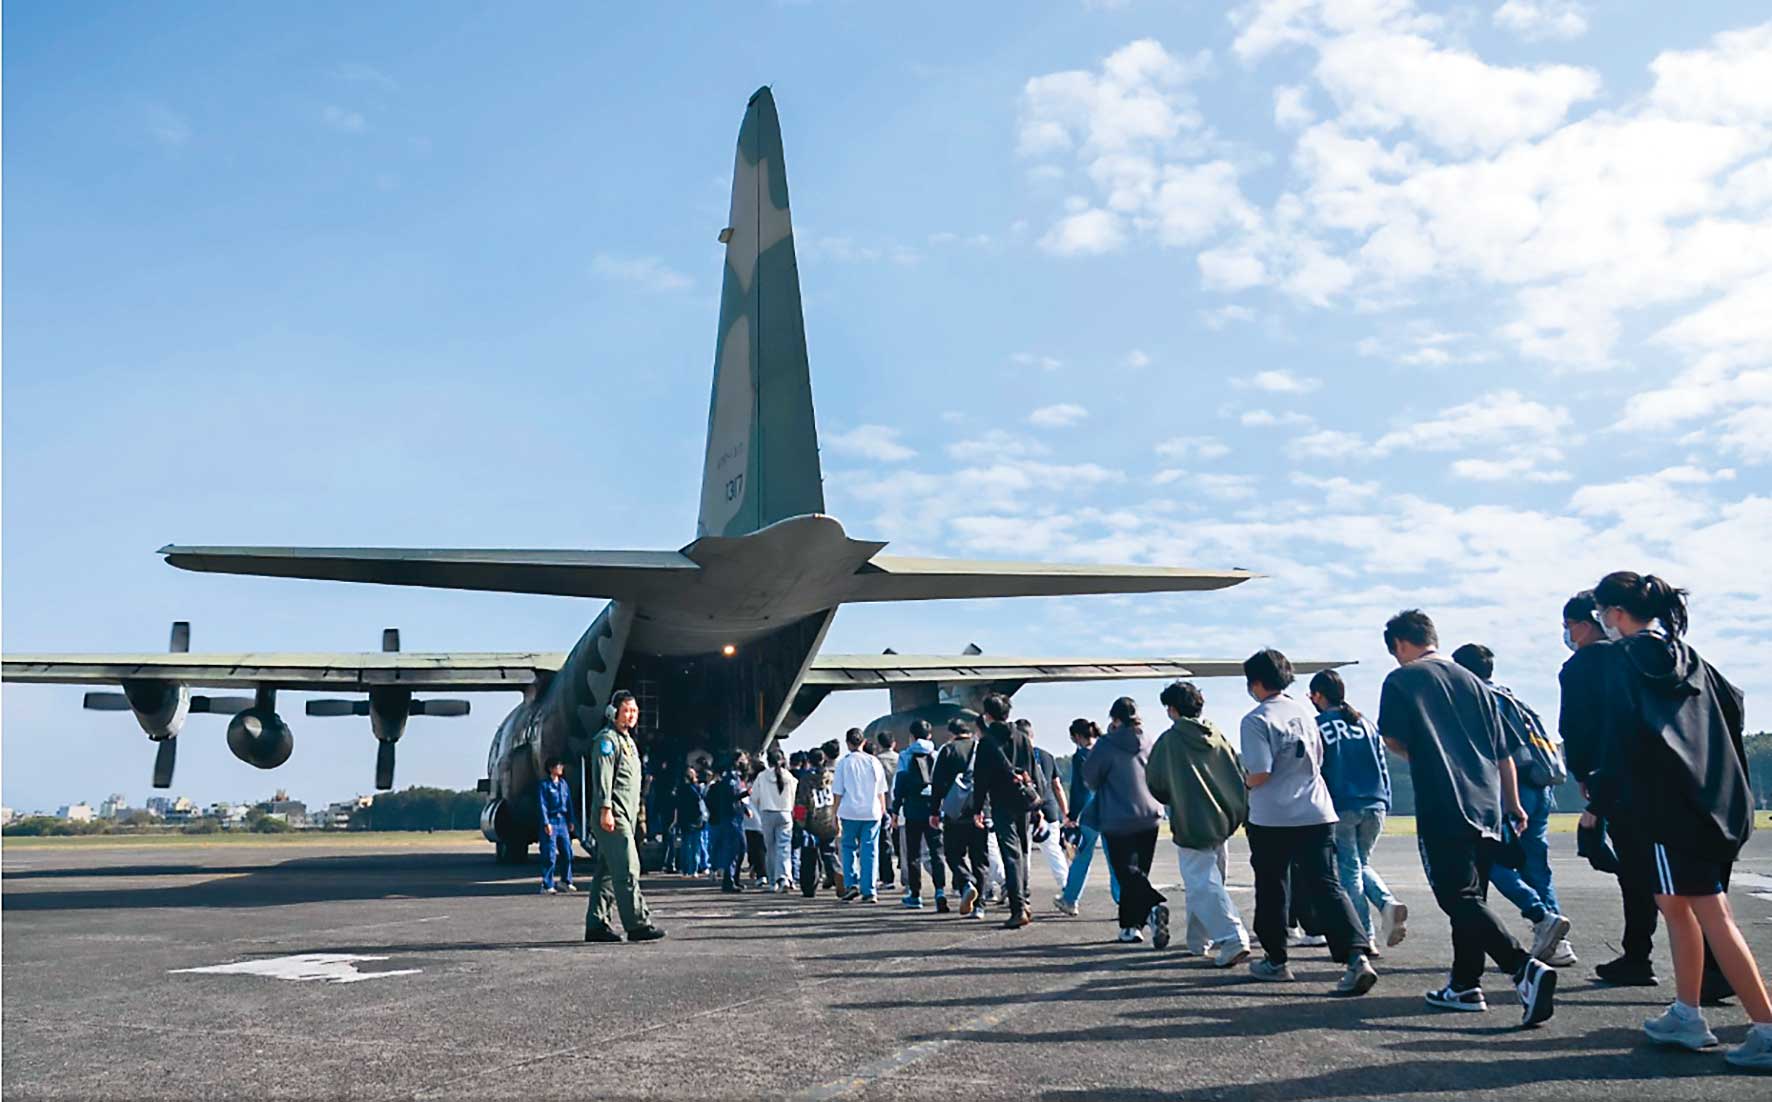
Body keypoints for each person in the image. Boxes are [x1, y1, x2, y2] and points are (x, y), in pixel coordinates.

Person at [1589, 572, 1771, 1069]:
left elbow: (1620, 738)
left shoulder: (1625, 660)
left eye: (1602, 613)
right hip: (1708, 799)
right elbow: (1732, 704)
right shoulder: (1687, 657)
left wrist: (1598, 804)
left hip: (1667, 806)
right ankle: (1686, 1014)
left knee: (1710, 911)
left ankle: (1766, 1026)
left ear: (1616, 613)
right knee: (1675, 904)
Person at [1377, 611, 1552, 1025]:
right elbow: (1503, 751)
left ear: (1401, 645)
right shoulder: (1474, 682)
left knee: (1457, 896)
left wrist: (1423, 755)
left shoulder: (1402, 679)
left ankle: (1521, 968)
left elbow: (1393, 739)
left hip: (1444, 799)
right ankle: (1464, 984)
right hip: (1487, 802)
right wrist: (1513, 804)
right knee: (1474, 896)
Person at [1240, 648, 1378, 998]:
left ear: (1256, 682)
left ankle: (1276, 959)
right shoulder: (1305, 713)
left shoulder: (1257, 719)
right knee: (1327, 885)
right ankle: (1356, 956)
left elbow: (1259, 772)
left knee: (1272, 888)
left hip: (1273, 817)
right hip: (1317, 812)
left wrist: (1242, 782)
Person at [1450, 643, 1574, 967]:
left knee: (1493, 862)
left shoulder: (1479, 701)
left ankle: (1540, 915)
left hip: (1509, 790)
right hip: (1540, 787)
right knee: (1537, 865)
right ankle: (1558, 943)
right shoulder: (1513, 698)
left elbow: (1489, 754)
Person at [1146, 681, 1251, 967]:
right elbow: (1237, 772)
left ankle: (1232, 937)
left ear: (1173, 709)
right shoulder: (1217, 735)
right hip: (1223, 818)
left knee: (1201, 881)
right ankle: (1197, 940)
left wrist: (1174, 795)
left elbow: (1155, 782)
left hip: (1192, 819)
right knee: (1206, 880)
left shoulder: (1171, 740)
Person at [1309, 669, 1406, 952]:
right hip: (1375, 803)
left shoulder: (1319, 726)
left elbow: (1316, 769)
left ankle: (1364, 935)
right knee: (1360, 865)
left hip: (1342, 805)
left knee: (1348, 873)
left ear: (1318, 696)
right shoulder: (1366, 724)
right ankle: (1386, 903)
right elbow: (1382, 763)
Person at [1082, 696, 1169, 949]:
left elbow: (1091, 778)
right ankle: (1130, 927)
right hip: (1151, 814)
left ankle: (1153, 905)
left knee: (1127, 873)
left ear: (1116, 719)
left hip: (1118, 816)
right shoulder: (1150, 740)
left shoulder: (1107, 744)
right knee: (1139, 871)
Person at [583, 691, 666, 943]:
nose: (630, 715)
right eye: (626, 710)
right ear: (613, 712)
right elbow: (603, 779)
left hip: (627, 815)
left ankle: (596, 925)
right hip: (613, 815)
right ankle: (638, 924)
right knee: (629, 868)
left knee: (607, 872)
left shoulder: (628, 741)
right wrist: (605, 809)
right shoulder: (606, 741)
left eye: (634, 711)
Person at [965, 694, 1039, 929]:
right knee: (1024, 850)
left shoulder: (987, 742)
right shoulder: (1022, 737)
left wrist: (977, 809)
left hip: (1001, 802)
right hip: (1024, 801)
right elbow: (1032, 770)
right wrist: (1038, 802)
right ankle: (1024, 900)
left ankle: (1018, 908)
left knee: (1010, 853)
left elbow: (981, 779)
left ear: (987, 715)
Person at [1055, 719, 1121, 916]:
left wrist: (1072, 815)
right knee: (1115, 861)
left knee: (1082, 858)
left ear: (1077, 736)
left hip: (1090, 813)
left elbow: (1079, 788)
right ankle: (1123, 902)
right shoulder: (1108, 749)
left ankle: (1070, 899)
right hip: (1112, 811)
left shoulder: (1081, 756)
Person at [932, 715, 990, 919]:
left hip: (954, 813)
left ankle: (966, 882)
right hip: (980, 811)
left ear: (951, 733)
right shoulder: (982, 748)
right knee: (980, 859)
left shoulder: (947, 750)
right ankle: (980, 906)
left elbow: (937, 784)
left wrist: (934, 811)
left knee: (953, 854)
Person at [892, 719, 948, 911]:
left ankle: (915, 895)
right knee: (936, 851)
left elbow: (899, 785)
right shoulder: (937, 754)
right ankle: (940, 890)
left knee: (913, 853)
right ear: (929, 735)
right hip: (933, 809)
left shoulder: (905, 756)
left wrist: (895, 808)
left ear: (912, 736)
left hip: (913, 810)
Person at [831, 727, 889, 902]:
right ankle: (869, 889)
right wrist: (883, 810)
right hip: (871, 811)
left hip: (849, 811)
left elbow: (838, 793)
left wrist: (834, 814)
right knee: (870, 850)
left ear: (848, 744)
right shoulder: (873, 761)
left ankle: (851, 884)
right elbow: (881, 791)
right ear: (864, 742)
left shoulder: (843, 763)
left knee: (848, 848)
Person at [1017, 719, 1072, 893]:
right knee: (1053, 851)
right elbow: (1057, 786)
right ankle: (1066, 887)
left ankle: (1022, 888)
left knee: (1024, 852)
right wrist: (1066, 812)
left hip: (1026, 808)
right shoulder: (1047, 756)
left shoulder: (1017, 756)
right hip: (1050, 808)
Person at [795, 747, 841, 897]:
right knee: (829, 852)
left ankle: (809, 887)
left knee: (809, 856)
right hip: (830, 819)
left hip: (812, 823)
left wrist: (799, 822)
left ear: (809, 761)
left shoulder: (806, 779)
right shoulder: (832, 777)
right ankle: (838, 874)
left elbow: (801, 803)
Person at [753, 748, 798, 892]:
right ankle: (784, 877)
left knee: (770, 848)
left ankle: (773, 882)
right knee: (784, 847)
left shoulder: (762, 776)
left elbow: (754, 797)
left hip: (767, 813)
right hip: (785, 813)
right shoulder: (789, 777)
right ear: (783, 760)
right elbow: (795, 796)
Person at [705, 752, 751, 893]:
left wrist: (744, 808)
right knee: (733, 849)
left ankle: (735, 878)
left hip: (736, 816)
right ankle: (728, 881)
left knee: (741, 848)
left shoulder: (735, 776)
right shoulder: (730, 777)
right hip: (730, 817)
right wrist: (746, 794)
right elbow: (731, 795)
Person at [537, 758, 578, 895]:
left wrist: (571, 820)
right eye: (558, 765)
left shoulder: (563, 784)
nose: (561, 768)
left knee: (567, 852)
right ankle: (547, 883)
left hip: (563, 822)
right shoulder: (544, 785)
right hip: (551, 821)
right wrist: (546, 822)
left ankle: (566, 880)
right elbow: (542, 805)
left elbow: (569, 803)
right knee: (549, 854)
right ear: (550, 768)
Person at [874, 731, 900, 891]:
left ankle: (887, 877)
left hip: (882, 805)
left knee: (883, 842)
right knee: (903, 842)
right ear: (894, 743)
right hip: (899, 805)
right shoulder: (900, 758)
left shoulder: (876, 761)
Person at [675, 765, 709, 876]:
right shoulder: (698, 788)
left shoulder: (680, 789)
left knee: (686, 845)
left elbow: (677, 805)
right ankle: (694, 869)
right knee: (696, 846)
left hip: (684, 819)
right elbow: (702, 803)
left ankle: (685, 869)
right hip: (697, 818)